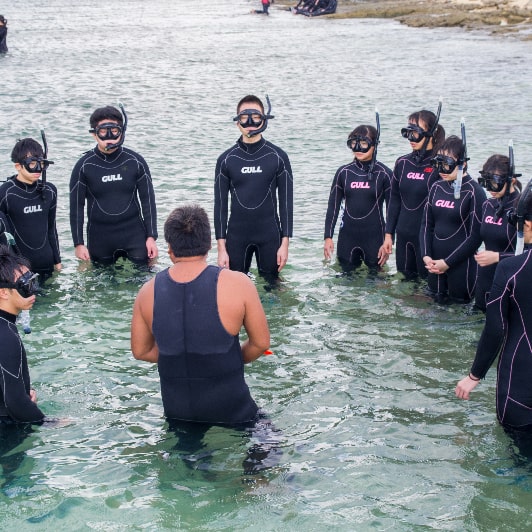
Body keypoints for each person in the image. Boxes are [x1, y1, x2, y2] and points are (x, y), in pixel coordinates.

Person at [131, 204, 270, 425]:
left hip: (178, 413)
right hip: (232, 409)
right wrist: (224, 359)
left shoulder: (147, 292)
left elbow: (141, 351)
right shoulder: (238, 283)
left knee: (188, 454)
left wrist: (184, 358)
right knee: (268, 448)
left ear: (170, 248)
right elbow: (261, 343)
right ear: (209, 245)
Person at [455, 180, 532, 440]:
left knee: (518, 463)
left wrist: (474, 375)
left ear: (528, 225)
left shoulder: (511, 270)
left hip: (520, 388)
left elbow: (495, 328)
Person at [214, 95, 293, 282]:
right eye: (244, 116)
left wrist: (285, 244)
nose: (250, 121)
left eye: (256, 116)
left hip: (270, 236)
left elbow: (286, 204)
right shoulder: (226, 159)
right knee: (234, 289)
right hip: (236, 237)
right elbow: (220, 207)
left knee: (272, 287)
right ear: (237, 122)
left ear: (264, 120)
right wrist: (221, 249)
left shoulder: (278, 156)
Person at [69, 105, 158, 266]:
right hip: (100, 238)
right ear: (94, 134)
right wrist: (79, 243)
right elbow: (76, 207)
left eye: (114, 130)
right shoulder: (84, 166)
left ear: (122, 132)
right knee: (101, 286)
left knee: (144, 281)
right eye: (103, 131)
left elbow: (148, 200)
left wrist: (151, 236)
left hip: (134, 234)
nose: (109, 136)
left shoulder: (135, 161)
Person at [382, 106, 445, 280]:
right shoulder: (402, 163)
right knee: (404, 284)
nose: (411, 138)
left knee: (426, 290)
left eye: (416, 133)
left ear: (431, 133)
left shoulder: (440, 166)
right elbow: (394, 200)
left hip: (427, 239)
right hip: (403, 236)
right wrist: (389, 235)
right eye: (408, 132)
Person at [420, 135, 484, 303]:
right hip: (434, 265)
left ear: (462, 163)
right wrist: (426, 256)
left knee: (459, 315)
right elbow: (426, 225)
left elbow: (475, 237)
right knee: (432, 314)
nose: (441, 169)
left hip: (461, 267)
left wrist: (447, 263)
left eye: (447, 164)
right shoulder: (436, 187)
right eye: (438, 163)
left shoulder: (474, 191)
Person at [324, 123, 391, 273]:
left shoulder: (384, 174)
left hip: (375, 238)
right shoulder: (344, 172)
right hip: (347, 238)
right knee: (344, 287)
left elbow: (392, 210)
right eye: (353, 143)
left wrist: (388, 238)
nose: (358, 148)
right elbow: (332, 206)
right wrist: (328, 237)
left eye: (363, 143)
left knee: (377, 285)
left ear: (374, 145)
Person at [0, 136, 61, 280]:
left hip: (46, 263)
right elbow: (2, 236)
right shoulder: (5, 193)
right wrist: (11, 266)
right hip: (18, 268)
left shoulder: (49, 190)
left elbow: (51, 228)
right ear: (18, 166)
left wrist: (57, 261)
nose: (38, 169)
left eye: (41, 163)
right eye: (33, 164)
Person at [0, 245, 46, 423]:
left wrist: (21, 390)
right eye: (25, 286)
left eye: (33, 281)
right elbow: (16, 405)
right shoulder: (6, 336)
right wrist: (51, 423)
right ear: (4, 292)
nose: (33, 291)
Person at [474, 153, 521, 311]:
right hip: (484, 281)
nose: (489, 189)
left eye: (494, 184)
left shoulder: (522, 210)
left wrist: (497, 257)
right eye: (486, 183)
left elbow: (528, 254)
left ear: (511, 180)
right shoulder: (488, 204)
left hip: (510, 284)